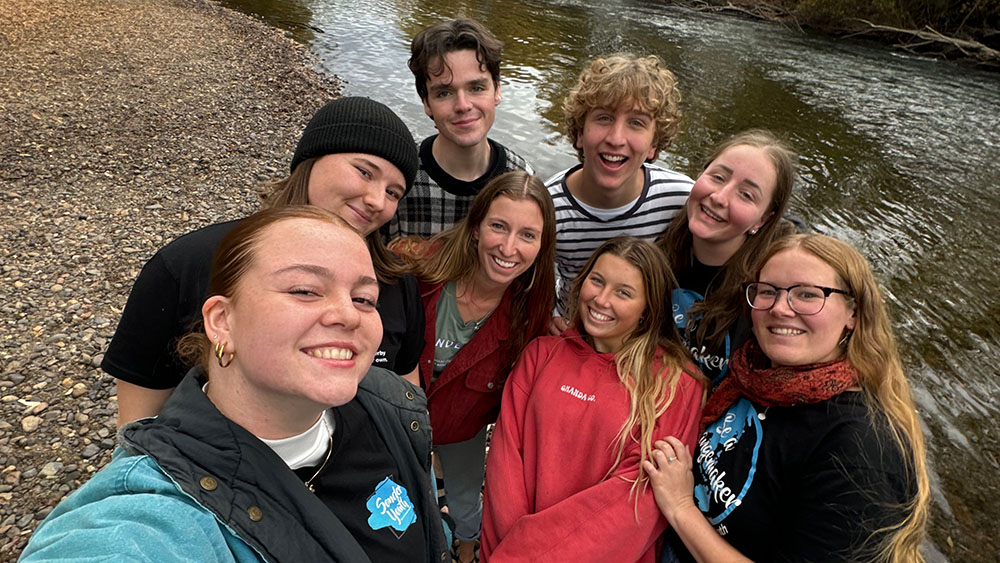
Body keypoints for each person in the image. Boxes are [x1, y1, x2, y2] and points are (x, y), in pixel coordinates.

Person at [21, 206, 450, 562]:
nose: (348, 314)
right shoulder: (157, 517)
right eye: (304, 290)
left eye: (364, 299)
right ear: (222, 321)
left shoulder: (394, 411)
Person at [102, 96, 426, 426]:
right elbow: (139, 419)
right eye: (363, 171)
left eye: (393, 192)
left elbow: (404, 396)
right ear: (311, 160)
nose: (376, 201)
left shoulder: (395, 283)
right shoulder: (188, 264)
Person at [643, 234, 929, 563]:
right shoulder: (754, 370)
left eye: (807, 294)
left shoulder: (861, 450)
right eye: (768, 291)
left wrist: (681, 508)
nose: (780, 308)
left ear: (853, 312)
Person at [481, 237, 707, 562]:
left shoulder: (677, 383)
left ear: (649, 309)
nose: (601, 299)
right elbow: (505, 466)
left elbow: (636, 502)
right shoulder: (541, 354)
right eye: (597, 281)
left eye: (623, 292)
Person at [391, 170, 556, 563]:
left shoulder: (530, 314)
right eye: (499, 226)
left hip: (461, 427)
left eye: (528, 235)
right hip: (394, 420)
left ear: (541, 246)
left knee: (467, 504)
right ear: (476, 227)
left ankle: (467, 551)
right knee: (399, 501)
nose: (509, 247)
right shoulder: (414, 268)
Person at [547, 54, 692, 327]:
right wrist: (544, 320)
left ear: (653, 145)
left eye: (636, 122)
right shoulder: (547, 208)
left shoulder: (681, 199)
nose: (616, 138)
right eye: (603, 118)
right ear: (580, 133)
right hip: (572, 337)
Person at [657, 129, 799, 386]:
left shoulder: (769, 295)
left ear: (763, 220)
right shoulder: (658, 245)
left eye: (746, 195)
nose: (719, 197)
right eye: (718, 177)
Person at [384, 17, 533, 239]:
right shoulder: (400, 178)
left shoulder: (520, 177)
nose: (463, 106)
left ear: (497, 91)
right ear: (426, 103)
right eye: (444, 93)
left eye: (476, 88)